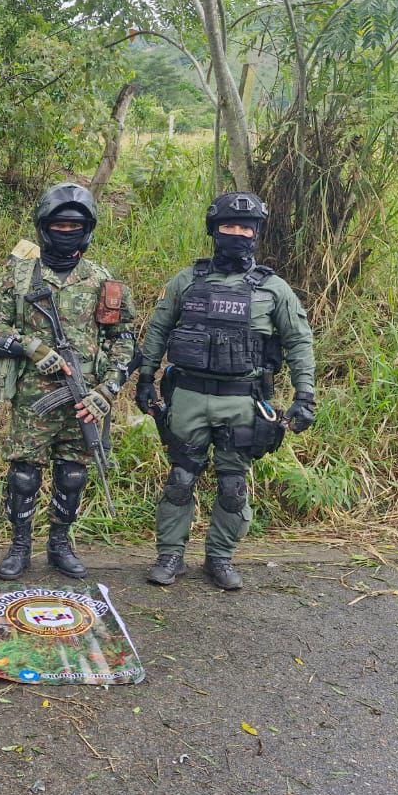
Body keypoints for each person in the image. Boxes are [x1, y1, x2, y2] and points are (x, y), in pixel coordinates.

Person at [135, 191, 316, 591]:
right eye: (228, 227)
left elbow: (299, 342)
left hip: (243, 399)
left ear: (256, 234)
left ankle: (220, 557)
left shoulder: (274, 289)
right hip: (189, 396)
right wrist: (146, 378)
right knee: (181, 478)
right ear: (214, 232)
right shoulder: (186, 280)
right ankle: (170, 555)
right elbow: (159, 330)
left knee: (233, 485)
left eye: (244, 228)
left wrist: (305, 396)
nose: (236, 234)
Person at [0, 182, 137, 580]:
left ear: (87, 229)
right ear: (43, 227)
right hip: (34, 399)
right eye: (58, 225)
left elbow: (125, 343)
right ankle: (19, 547)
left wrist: (108, 390)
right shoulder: (18, 277)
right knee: (23, 475)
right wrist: (33, 349)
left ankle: (60, 545)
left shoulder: (104, 283)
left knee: (73, 474)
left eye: (74, 226)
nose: (66, 232)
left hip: (85, 400)